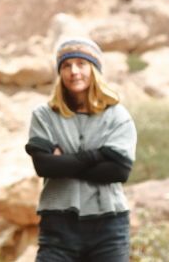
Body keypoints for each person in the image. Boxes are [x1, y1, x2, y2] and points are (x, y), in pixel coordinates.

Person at [25, 37, 136, 261]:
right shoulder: (44, 115)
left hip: (109, 227)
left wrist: (64, 161)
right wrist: (99, 155)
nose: (74, 71)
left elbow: (118, 172)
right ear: (60, 72)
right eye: (66, 65)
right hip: (57, 226)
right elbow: (44, 166)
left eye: (81, 64)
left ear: (94, 69)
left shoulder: (117, 115)